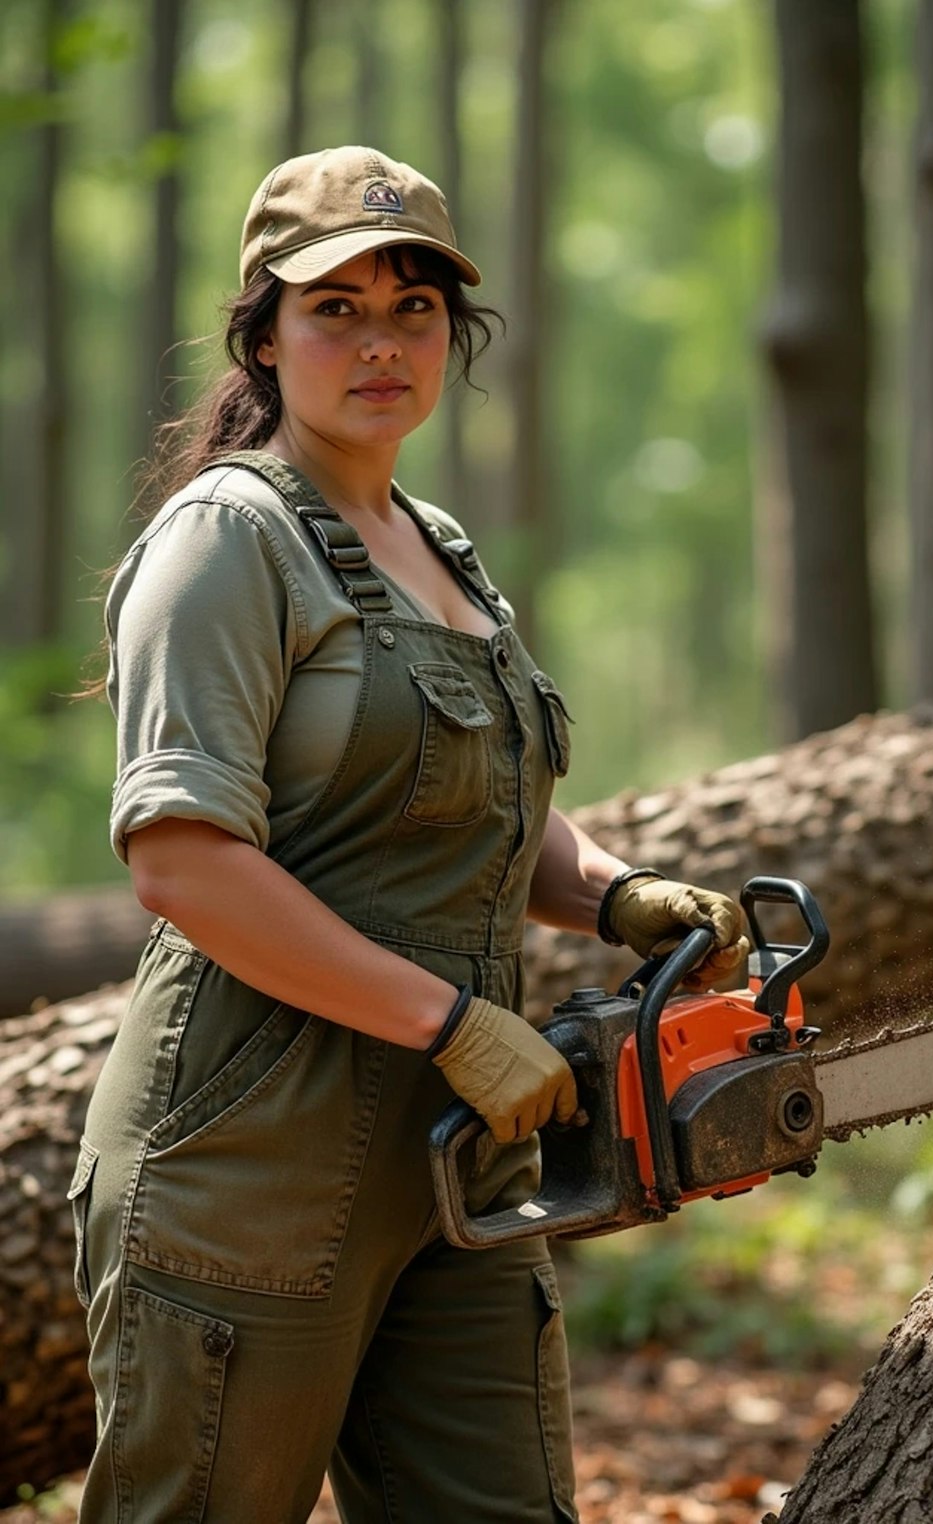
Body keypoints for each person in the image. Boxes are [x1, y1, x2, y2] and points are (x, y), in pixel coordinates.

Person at [69, 145, 748, 1524]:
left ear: (455, 334)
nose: (381, 342)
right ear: (263, 334)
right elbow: (182, 860)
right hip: (248, 1150)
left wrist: (619, 896)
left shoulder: (433, 540)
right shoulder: (226, 539)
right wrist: (448, 1020)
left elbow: (482, 814)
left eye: (415, 308)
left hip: (456, 1154)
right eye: (337, 308)